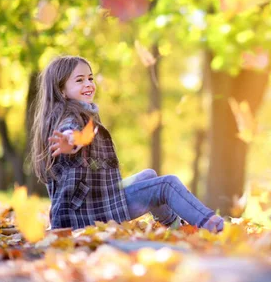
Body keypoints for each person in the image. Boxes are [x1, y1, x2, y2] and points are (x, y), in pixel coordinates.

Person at [30, 55, 224, 232]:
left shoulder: (74, 115)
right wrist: (71, 142)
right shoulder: (70, 120)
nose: (88, 84)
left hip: (91, 204)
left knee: (149, 175)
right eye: (79, 80)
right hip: (87, 216)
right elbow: (71, 134)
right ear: (61, 90)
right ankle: (212, 225)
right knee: (167, 184)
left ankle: (176, 227)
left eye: (90, 78)